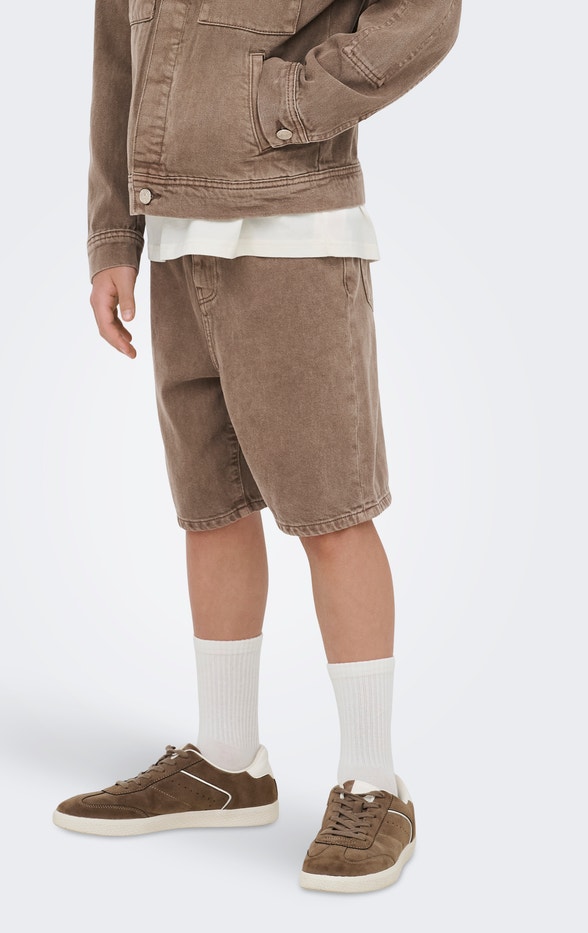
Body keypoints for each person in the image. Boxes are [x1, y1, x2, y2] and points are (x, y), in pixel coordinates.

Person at [53, 0, 462, 893]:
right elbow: (116, 57)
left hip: (294, 234)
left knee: (332, 512)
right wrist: (113, 234)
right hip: (175, 242)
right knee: (210, 509)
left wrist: (280, 104)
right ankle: (227, 762)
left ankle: (374, 782)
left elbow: (428, 14)